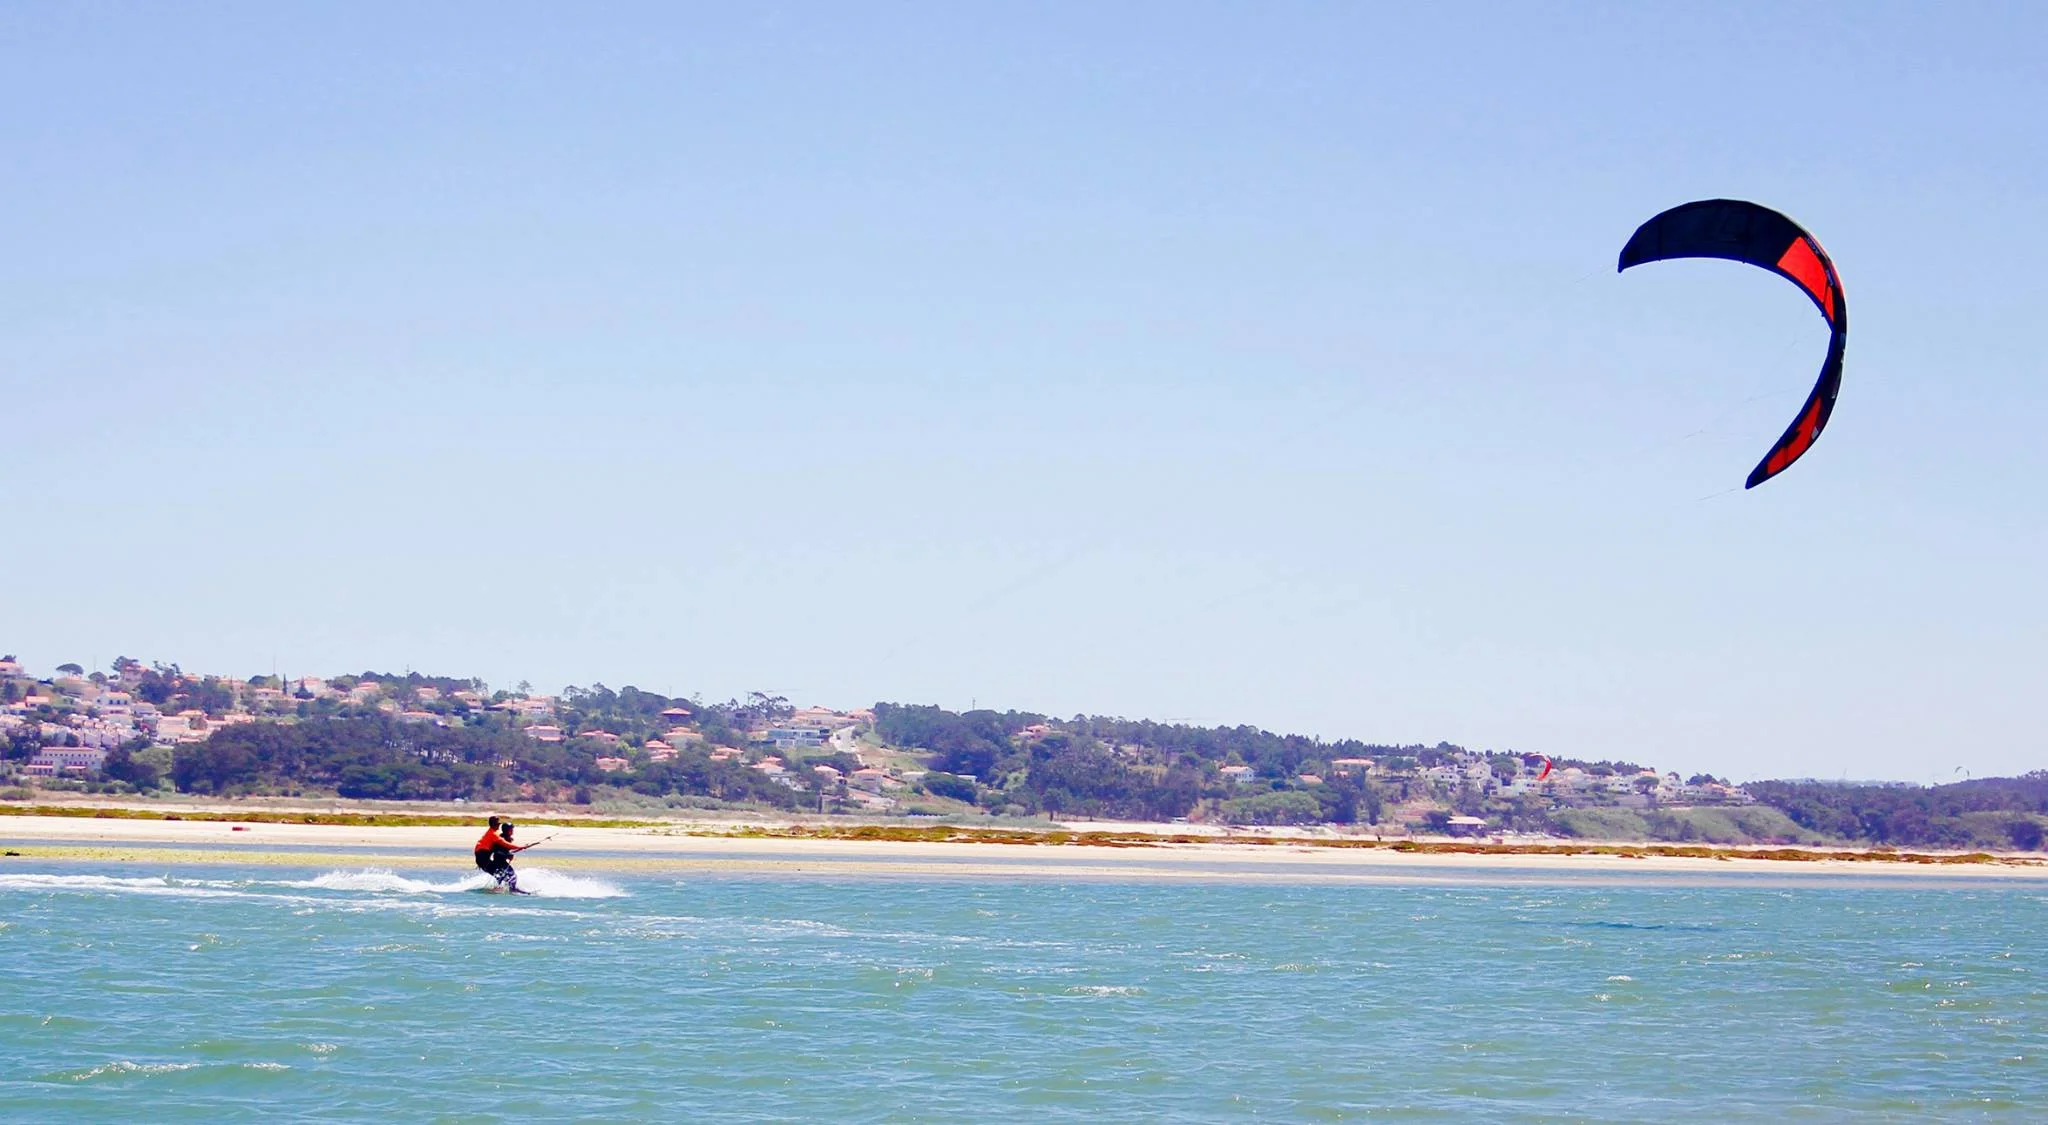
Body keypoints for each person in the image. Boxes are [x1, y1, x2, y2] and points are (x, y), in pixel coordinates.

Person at [473, 816, 528, 892]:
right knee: (502, 875)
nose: (499, 825)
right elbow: (504, 845)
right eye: (498, 824)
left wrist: (512, 852)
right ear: (494, 824)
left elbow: (502, 848)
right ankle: (508, 890)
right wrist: (520, 847)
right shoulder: (493, 834)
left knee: (501, 875)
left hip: (482, 858)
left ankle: (500, 890)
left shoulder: (493, 833)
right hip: (483, 858)